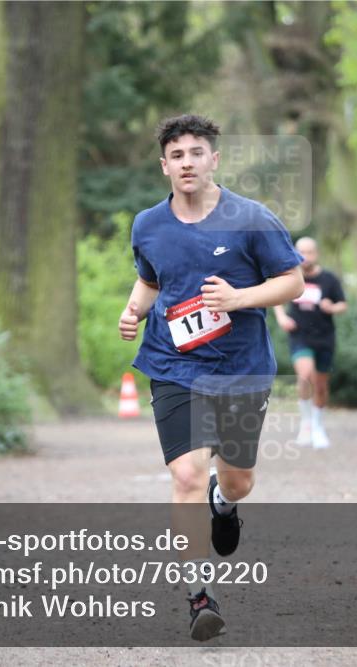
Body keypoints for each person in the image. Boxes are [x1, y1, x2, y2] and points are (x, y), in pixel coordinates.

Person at [118, 114, 303, 640]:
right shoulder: (148, 224)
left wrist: (240, 298)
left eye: (196, 153)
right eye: (176, 156)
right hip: (173, 366)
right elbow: (151, 279)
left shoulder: (251, 219)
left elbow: (292, 281)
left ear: (214, 159)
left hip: (242, 369)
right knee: (185, 477)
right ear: (165, 167)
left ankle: (226, 502)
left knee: (238, 478)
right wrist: (133, 312)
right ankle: (199, 593)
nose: (187, 163)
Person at [273, 237, 346, 449]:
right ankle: (305, 422)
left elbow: (343, 304)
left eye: (310, 252)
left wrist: (332, 308)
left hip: (324, 337)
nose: (306, 257)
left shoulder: (329, 279)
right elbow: (276, 296)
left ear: (317, 253)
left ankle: (317, 425)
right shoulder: (291, 277)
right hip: (300, 335)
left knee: (321, 384)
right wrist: (282, 318)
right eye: (301, 252)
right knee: (305, 375)